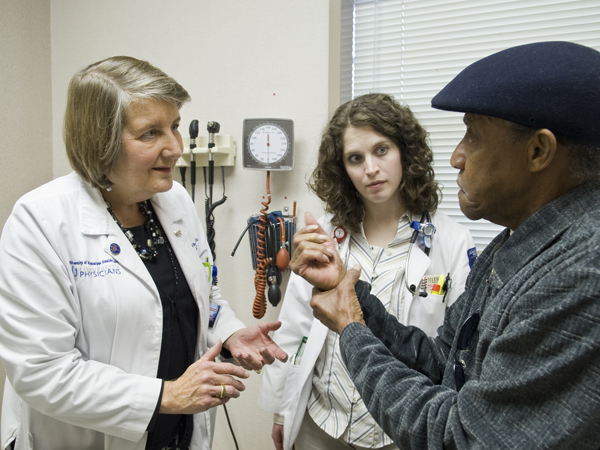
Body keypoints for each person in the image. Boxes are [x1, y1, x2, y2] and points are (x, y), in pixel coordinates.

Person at [292, 41, 600, 449]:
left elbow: (460, 437)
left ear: (539, 150)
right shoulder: (513, 246)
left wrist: (351, 328)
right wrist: (353, 297)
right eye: (354, 158)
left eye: (472, 136)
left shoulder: (579, 275)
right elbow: (445, 361)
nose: (456, 157)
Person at [0, 56, 287, 450]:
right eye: (150, 133)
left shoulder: (175, 201)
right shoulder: (41, 222)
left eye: (174, 127)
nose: (174, 148)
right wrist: (165, 397)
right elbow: (40, 371)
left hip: (177, 435)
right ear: (99, 141)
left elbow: (204, 297)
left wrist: (231, 331)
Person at [258, 93, 476, 450]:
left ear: (405, 151)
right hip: (324, 423)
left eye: (381, 150)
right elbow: (296, 325)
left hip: (401, 430)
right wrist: (282, 410)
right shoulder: (324, 234)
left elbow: (455, 352)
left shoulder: (451, 241)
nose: (370, 169)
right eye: (355, 158)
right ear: (342, 169)